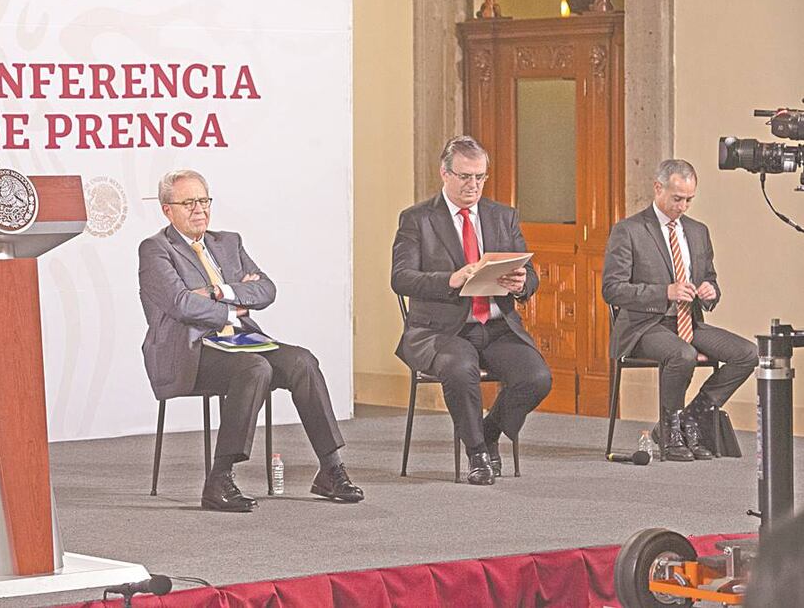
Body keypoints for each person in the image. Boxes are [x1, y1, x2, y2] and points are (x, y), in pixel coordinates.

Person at [138, 169, 364, 512]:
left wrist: (217, 291)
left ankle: (330, 469)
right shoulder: (156, 250)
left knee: (302, 360)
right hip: (190, 351)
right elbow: (180, 303)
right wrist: (231, 310)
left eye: (203, 200)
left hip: (241, 341)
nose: (199, 209)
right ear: (167, 209)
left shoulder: (228, 242)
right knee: (254, 368)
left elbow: (265, 290)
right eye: (188, 203)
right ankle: (219, 479)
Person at [390, 136, 551, 486]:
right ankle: (477, 453)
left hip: (496, 326)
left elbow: (532, 277)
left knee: (536, 377)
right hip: (440, 330)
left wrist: (522, 283)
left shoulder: (502, 216)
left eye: (480, 177)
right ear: (444, 174)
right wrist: (450, 279)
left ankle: (489, 432)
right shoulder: (418, 219)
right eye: (465, 176)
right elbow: (401, 278)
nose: (473, 185)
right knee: (459, 368)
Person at [602, 159, 757, 462]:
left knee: (748, 353)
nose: (683, 206)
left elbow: (708, 278)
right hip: (645, 326)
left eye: (689, 199)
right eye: (677, 198)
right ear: (658, 189)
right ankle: (672, 430)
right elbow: (612, 289)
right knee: (681, 355)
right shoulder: (629, 230)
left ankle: (691, 416)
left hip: (688, 322)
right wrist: (665, 292)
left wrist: (710, 291)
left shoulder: (697, 231)